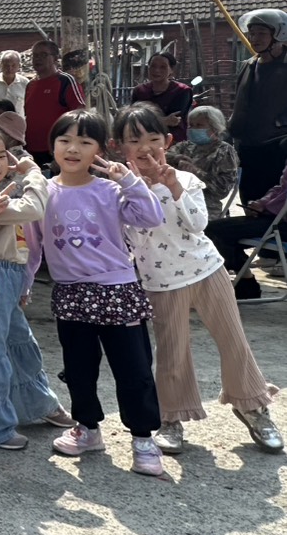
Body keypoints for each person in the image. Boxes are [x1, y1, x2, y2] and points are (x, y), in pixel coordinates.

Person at [112, 104, 281, 455]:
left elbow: (198, 223)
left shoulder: (186, 179)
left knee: (233, 341)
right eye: (134, 140)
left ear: (167, 141)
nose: (145, 147)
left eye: (153, 138)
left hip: (207, 270)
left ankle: (252, 406)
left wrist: (174, 187)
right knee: (172, 351)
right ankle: (171, 418)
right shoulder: (118, 191)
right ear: (118, 146)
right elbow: (125, 237)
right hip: (161, 282)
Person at [37, 110, 167, 476]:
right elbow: (33, 242)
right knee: (79, 368)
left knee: (133, 368)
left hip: (116, 290)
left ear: (100, 149)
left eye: (84, 141)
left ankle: (143, 438)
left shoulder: (110, 190)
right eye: (65, 140)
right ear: (52, 145)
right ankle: (87, 428)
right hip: (70, 293)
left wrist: (130, 181)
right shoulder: (43, 191)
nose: (73, 149)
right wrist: (26, 282)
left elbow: (151, 217)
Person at [0, 127, 69, 450]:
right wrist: (33, 172)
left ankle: (39, 404)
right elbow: (34, 207)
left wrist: (23, 282)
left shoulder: (0, 192)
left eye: (1, 155)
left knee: (18, 342)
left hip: (10, 275)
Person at [206, 157, 287, 301]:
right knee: (216, 231)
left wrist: (268, 208)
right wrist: (261, 203)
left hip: (281, 221)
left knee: (215, 231)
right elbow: (281, 188)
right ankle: (245, 281)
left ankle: (244, 282)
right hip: (273, 217)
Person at [230, 9, 287, 202]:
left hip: (278, 148)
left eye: (261, 33)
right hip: (248, 146)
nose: (254, 38)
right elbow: (240, 103)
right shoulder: (248, 65)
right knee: (249, 201)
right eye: (252, 33)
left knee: (274, 204)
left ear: (278, 34)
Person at [168, 105, 238, 220]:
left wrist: (196, 173)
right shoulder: (186, 146)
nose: (193, 129)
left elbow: (222, 190)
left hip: (205, 206)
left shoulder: (224, 151)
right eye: (191, 125)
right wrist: (176, 158)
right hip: (174, 200)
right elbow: (164, 157)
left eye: (199, 125)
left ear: (215, 128)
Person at [23, 40, 84, 164]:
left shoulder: (65, 81)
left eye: (43, 55)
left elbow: (80, 115)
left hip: (57, 151)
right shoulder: (30, 85)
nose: (38, 58)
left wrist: (66, 149)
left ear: (55, 59)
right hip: (32, 150)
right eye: (35, 55)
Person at [131, 52, 192, 143]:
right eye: (153, 66)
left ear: (172, 69)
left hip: (173, 142)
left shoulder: (182, 91)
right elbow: (134, 119)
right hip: (144, 141)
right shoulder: (139, 91)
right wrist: (164, 121)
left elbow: (174, 120)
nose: (157, 70)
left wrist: (146, 122)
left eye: (163, 67)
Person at [0, 51, 29, 119]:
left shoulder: (25, 83)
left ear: (19, 66)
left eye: (13, 65)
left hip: (16, 124)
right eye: (6, 65)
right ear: (0, 65)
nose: (10, 68)